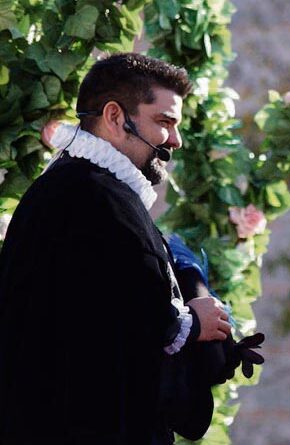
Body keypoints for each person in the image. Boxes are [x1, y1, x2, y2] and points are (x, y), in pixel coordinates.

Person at [0, 53, 234, 444]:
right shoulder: (91, 195)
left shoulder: (82, 187)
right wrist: (195, 320)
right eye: (164, 122)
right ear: (114, 116)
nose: (175, 140)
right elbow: (120, 324)